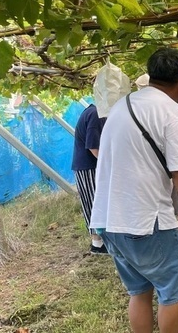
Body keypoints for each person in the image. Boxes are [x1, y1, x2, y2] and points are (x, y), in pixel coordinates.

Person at [90, 48, 178, 333]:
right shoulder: (171, 112)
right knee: (171, 291)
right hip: (146, 219)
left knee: (139, 291)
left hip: (108, 218)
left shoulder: (122, 106)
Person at [72, 103, 108, 254]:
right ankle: (97, 244)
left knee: (98, 202)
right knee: (93, 202)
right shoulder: (95, 114)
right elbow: (94, 147)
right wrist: (109, 164)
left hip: (91, 166)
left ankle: (102, 241)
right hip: (88, 167)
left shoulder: (94, 112)